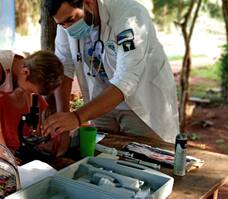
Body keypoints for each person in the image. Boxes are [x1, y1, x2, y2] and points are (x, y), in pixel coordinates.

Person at [42, 0, 179, 143]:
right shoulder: (66, 24)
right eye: (62, 24)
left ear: (88, 2)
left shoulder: (129, 16)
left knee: (146, 158)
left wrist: (76, 117)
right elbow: (64, 68)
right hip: (101, 103)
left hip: (140, 104)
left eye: (71, 19)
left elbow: (126, 79)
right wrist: (63, 126)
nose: (68, 28)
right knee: (101, 155)